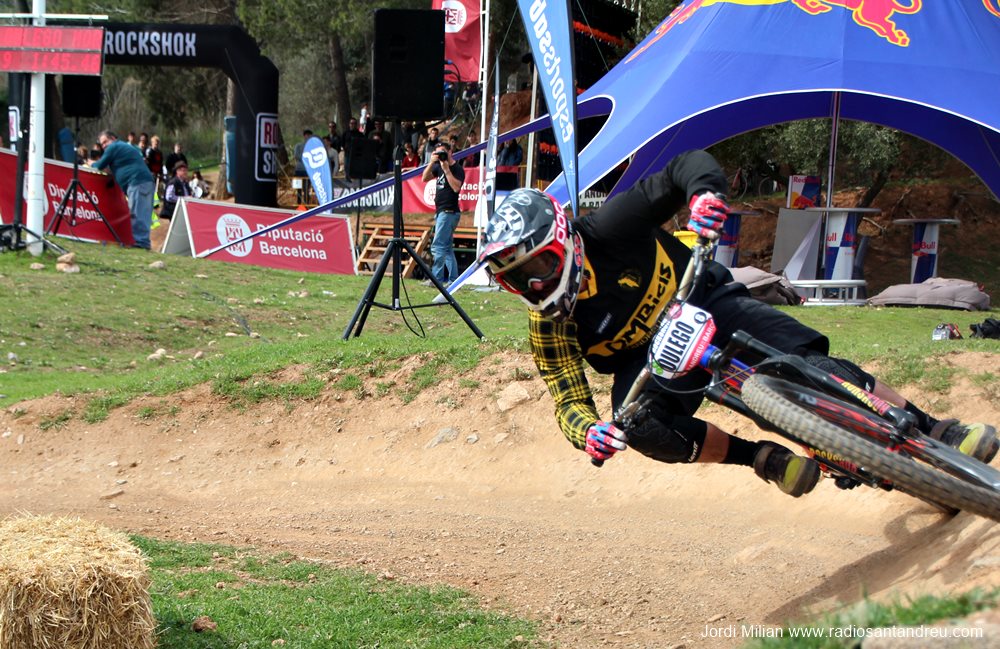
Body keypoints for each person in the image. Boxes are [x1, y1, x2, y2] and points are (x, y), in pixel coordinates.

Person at [478, 149, 998, 498]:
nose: (536, 285)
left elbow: (685, 166)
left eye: (539, 265)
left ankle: (938, 430)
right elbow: (567, 397)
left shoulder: (612, 225)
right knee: (642, 426)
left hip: (706, 298)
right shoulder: (547, 324)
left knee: (806, 365)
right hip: (648, 363)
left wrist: (704, 194)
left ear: (564, 239)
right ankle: (759, 458)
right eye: (518, 279)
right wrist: (587, 431)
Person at [88, 130, 155, 250]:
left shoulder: (114, 147)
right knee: (141, 212)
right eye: (102, 144)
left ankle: (140, 243)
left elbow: (99, 166)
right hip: (144, 181)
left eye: (105, 142)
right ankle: (141, 241)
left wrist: (91, 163)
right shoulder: (122, 148)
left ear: (113, 138)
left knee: (137, 212)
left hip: (137, 182)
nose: (104, 146)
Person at [421, 141, 465, 286]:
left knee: (438, 246)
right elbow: (424, 178)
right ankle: (454, 280)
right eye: (438, 153)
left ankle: (437, 280)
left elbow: (456, 188)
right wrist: (431, 162)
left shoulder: (457, 168)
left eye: (442, 153)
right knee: (446, 248)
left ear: (450, 152)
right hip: (441, 212)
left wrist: (446, 170)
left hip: (449, 212)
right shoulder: (438, 167)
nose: (441, 156)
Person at [292, 129, 313, 204]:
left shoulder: (312, 147)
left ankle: (307, 204)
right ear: (304, 136)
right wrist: (306, 158)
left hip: (308, 171)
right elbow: (296, 155)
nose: (308, 137)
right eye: (307, 135)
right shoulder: (298, 146)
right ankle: (298, 204)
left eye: (309, 136)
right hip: (299, 170)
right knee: (298, 189)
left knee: (306, 188)